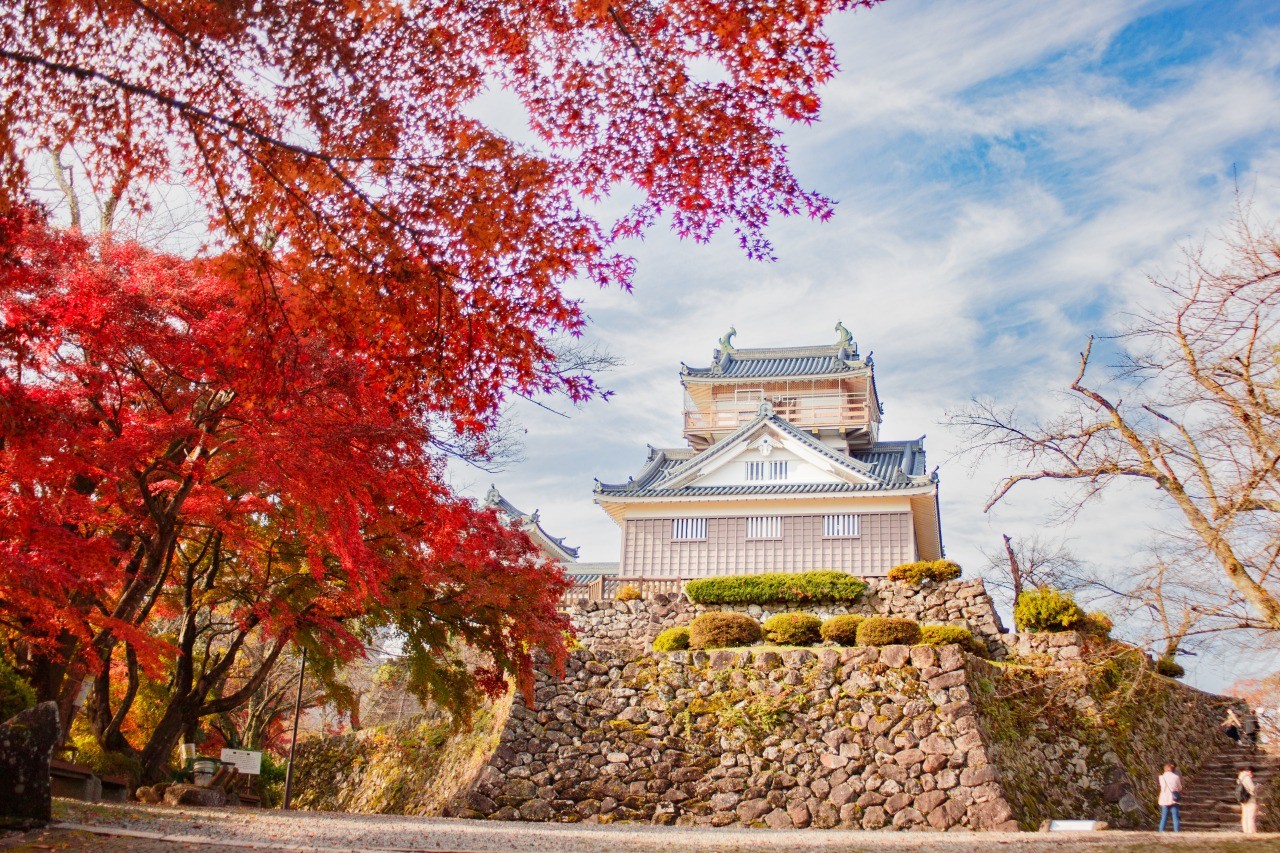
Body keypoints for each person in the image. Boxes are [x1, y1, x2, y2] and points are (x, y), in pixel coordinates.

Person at [1158, 763, 1182, 832]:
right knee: (1175, 817)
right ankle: (1177, 831)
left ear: (1165, 769)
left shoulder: (1161, 777)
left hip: (1164, 798)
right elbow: (1180, 788)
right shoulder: (1176, 777)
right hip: (1173, 798)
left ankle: (1161, 831)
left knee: (1164, 817)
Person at [1237, 766, 1258, 834]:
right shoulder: (1247, 778)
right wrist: (1257, 787)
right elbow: (1252, 788)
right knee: (1251, 816)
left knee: (1245, 815)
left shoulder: (1240, 777)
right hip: (1250, 799)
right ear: (1249, 771)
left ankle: (1245, 830)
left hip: (1243, 798)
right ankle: (1251, 831)